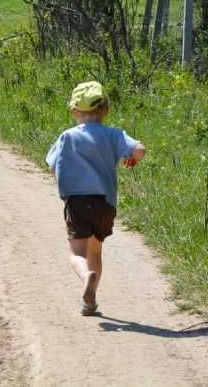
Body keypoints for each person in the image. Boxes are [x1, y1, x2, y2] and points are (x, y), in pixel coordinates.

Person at [45, 81, 146, 316]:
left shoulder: (67, 137)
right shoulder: (113, 134)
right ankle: (90, 301)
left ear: (74, 111)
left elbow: (52, 166)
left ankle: (85, 279)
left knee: (76, 253)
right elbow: (140, 150)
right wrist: (132, 158)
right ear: (106, 110)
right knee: (95, 252)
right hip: (105, 203)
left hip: (78, 202)